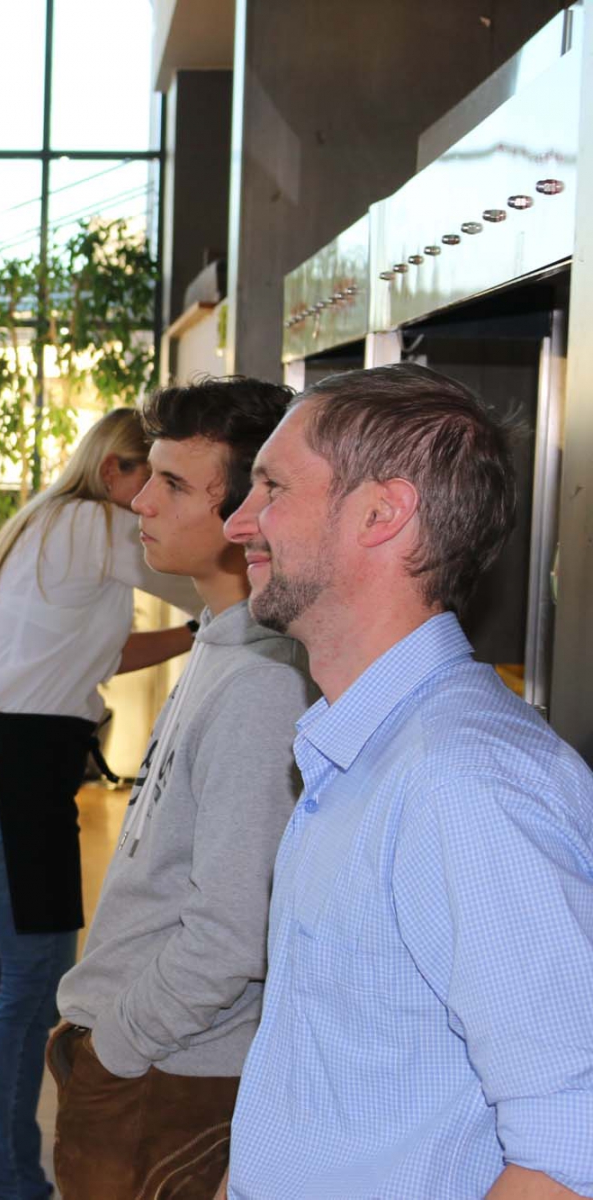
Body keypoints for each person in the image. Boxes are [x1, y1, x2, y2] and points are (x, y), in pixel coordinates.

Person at [219, 364, 593, 1199]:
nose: (240, 521)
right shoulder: (367, 749)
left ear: (382, 513)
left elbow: (574, 1144)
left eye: (272, 487)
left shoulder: (462, 783)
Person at [0, 408, 203, 1200]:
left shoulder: (45, 521)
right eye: (154, 478)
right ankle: (9, 1183)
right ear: (114, 470)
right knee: (31, 980)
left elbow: (98, 652)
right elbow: (200, 570)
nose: (156, 502)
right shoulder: (98, 525)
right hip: (14, 765)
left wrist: (194, 637)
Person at [46, 378, 315, 1199]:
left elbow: (232, 933)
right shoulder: (224, 647)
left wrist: (117, 1047)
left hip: (169, 1075)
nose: (141, 503)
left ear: (248, 513)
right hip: (142, 1062)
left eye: (171, 483)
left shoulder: (263, 683)